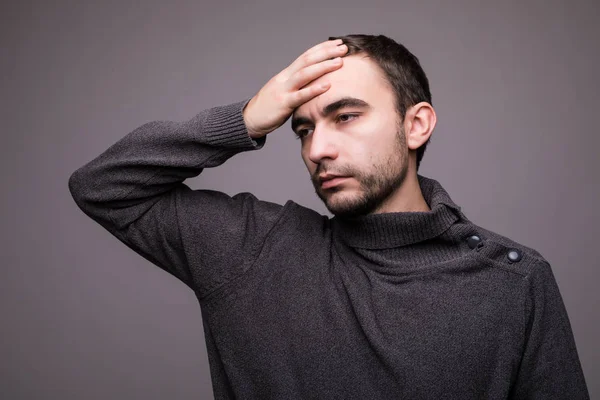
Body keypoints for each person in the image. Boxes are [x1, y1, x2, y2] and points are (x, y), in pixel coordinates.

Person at [68, 34, 590, 399]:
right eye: (302, 129)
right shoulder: (254, 249)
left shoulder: (514, 281)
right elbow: (104, 187)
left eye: (345, 116)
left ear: (416, 126)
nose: (317, 148)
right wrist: (247, 118)